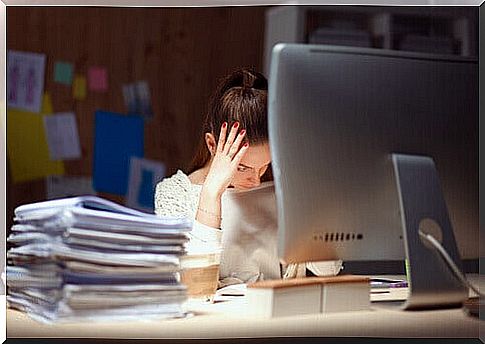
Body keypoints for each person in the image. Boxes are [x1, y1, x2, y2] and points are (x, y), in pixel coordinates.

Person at [155, 68, 342, 287]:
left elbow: (327, 270)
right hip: (217, 320)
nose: (255, 180)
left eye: (264, 166)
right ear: (212, 145)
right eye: (243, 167)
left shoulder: (281, 188)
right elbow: (195, 284)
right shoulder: (175, 194)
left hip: (279, 316)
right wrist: (212, 193)